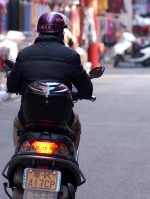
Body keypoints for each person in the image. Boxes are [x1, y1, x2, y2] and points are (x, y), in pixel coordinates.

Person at [7, 12, 93, 150]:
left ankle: (19, 153)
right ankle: (71, 160)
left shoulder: (24, 54)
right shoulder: (71, 56)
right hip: (63, 120)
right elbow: (87, 90)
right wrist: (80, 93)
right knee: (76, 125)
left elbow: (11, 86)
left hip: (28, 118)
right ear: (62, 33)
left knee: (17, 124)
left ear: (39, 31)